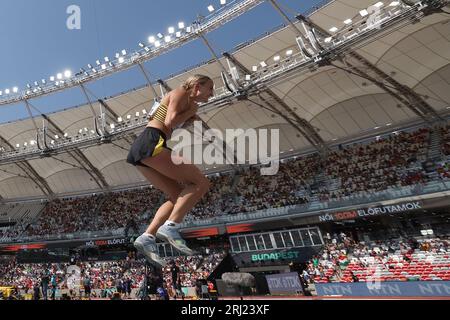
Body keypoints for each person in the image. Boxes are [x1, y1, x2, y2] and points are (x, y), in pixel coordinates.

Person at [129, 75, 214, 267]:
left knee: (176, 196)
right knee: (200, 183)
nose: (212, 93)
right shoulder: (180, 92)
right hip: (152, 141)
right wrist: (191, 111)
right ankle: (171, 226)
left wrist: (194, 117)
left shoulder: (187, 101)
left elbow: (178, 120)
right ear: (197, 86)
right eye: (210, 88)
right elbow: (170, 121)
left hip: (145, 146)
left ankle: (147, 236)